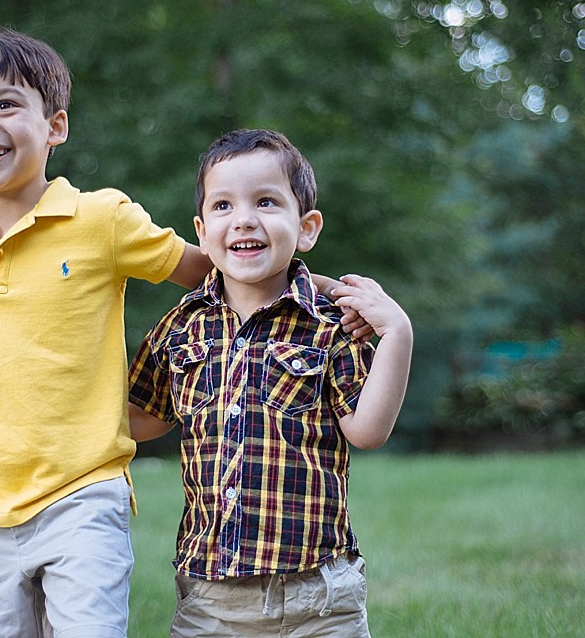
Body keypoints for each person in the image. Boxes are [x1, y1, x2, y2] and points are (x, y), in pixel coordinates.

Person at [0, 28, 365, 637]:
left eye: (5, 104)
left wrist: (310, 301)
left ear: (56, 126)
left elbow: (214, 264)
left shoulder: (102, 219)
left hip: (82, 493)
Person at [128, 129, 414, 637]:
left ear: (306, 228)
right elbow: (140, 419)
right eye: (222, 205)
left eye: (265, 201)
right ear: (201, 229)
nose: (243, 219)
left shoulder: (331, 326)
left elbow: (368, 430)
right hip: (210, 599)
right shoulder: (180, 327)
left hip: (319, 597)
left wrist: (397, 332)